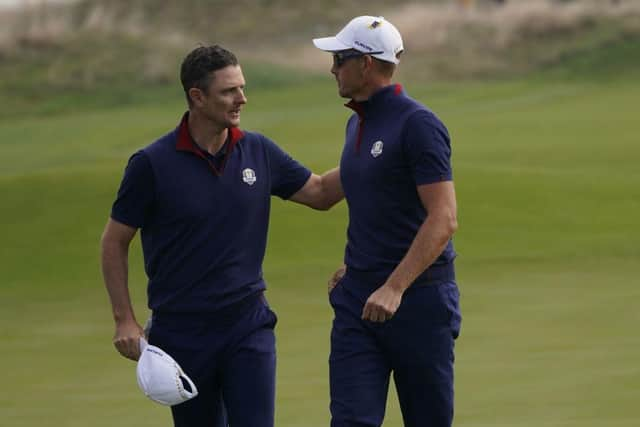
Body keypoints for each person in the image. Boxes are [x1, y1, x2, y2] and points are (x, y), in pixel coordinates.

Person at [100, 45, 342, 427]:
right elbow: (114, 241)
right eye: (229, 91)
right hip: (182, 334)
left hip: (248, 323)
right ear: (197, 96)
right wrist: (124, 319)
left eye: (242, 88)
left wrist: (372, 158)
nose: (242, 98)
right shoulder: (151, 164)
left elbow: (320, 192)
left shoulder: (257, 150)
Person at [312, 16, 462, 427]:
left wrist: (393, 287)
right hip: (358, 303)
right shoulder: (356, 124)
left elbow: (443, 218)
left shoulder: (418, 124)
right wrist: (250, 158)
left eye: (339, 59)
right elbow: (327, 191)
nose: (332, 69)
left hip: (418, 303)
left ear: (365, 64)